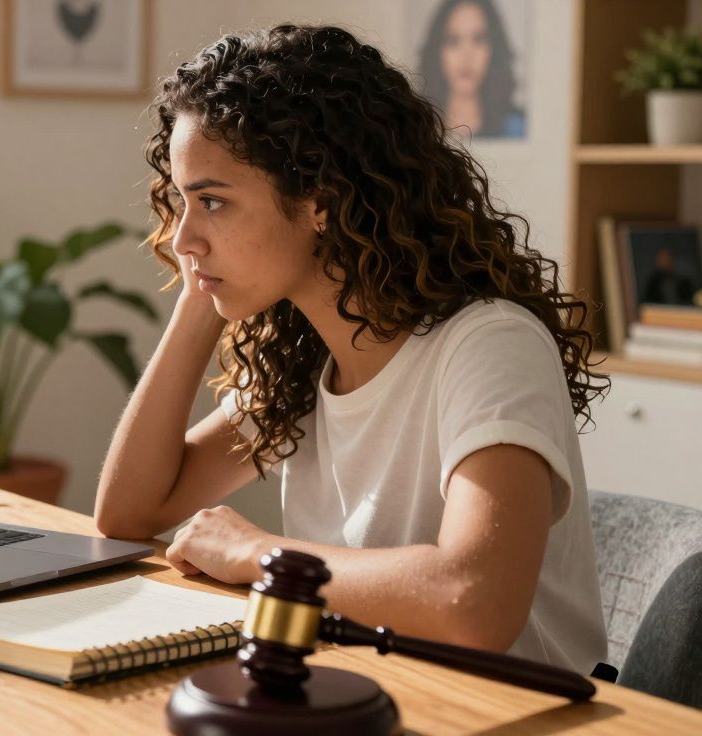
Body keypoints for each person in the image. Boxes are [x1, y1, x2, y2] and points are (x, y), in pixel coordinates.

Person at [96, 26, 608, 673]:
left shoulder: (488, 346)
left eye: (214, 202)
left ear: (323, 203)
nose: (182, 238)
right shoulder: (310, 358)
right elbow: (127, 514)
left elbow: (474, 603)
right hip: (364, 692)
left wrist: (262, 556)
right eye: (181, 203)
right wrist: (200, 301)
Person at [418, 0, 525, 138]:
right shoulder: (416, 126)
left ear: (494, 49)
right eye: (453, 40)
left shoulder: (517, 128)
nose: (466, 55)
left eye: (478, 39)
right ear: (437, 51)